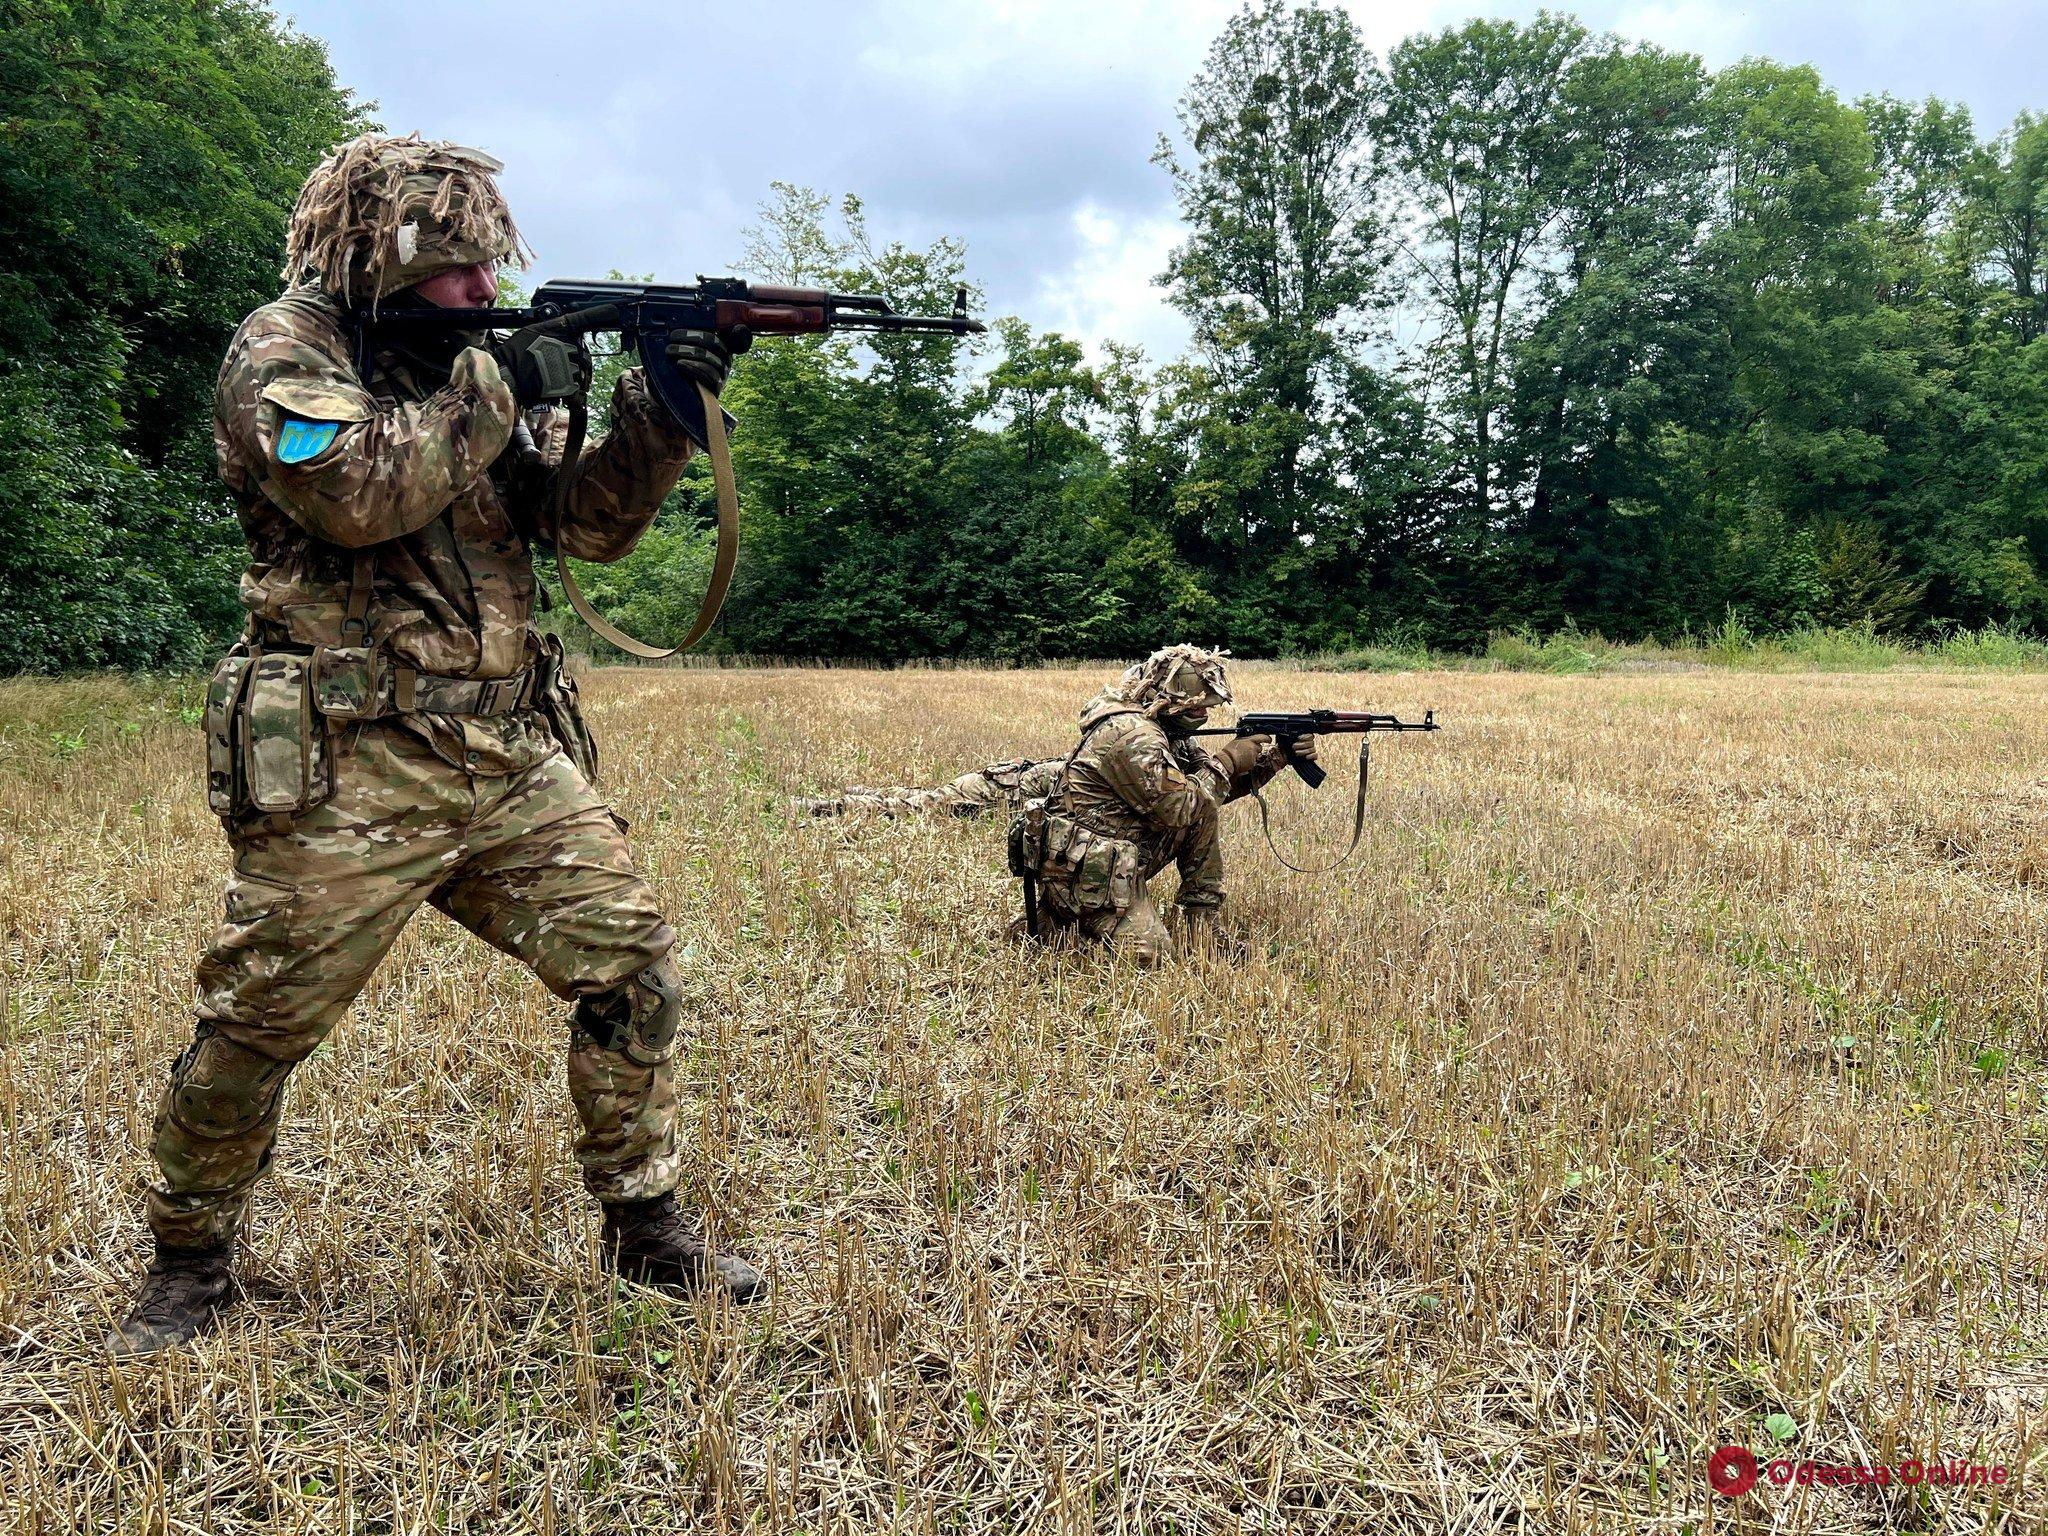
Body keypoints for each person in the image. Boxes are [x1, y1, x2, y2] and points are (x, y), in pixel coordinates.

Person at [112, 133, 762, 1357]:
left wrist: (662, 412)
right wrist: (497, 379)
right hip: (352, 760)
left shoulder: (474, 362)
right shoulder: (283, 353)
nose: (482, 289)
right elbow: (356, 494)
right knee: (259, 1022)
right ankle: (188, 1261)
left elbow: (583, 528)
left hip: (505, 754)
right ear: (378, 253)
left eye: (487, 268)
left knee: (634, 972)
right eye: (456, 269)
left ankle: (646, 1223)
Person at [1017, 644, 1311, 964]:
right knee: (1148, 955)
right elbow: (1181, 805)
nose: (1205, 715)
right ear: (1171, 700)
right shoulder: (1134, 736)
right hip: (1084, 867)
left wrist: (1276, 759)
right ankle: (1059, 932)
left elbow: (1208, 794)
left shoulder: (1170, 730)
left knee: (1203, 805)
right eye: (1198, 708)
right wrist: (1227, 761)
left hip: (1118, 852)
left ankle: (1203, 927)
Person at [794, 758, 1064, 820]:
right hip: (980, 794)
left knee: (922, 796)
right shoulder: (1074, 776)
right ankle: (826, 807)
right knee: (909, 808)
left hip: (982, 785)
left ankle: (866, 791)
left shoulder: (1074, 764)